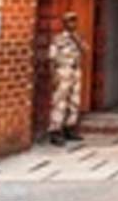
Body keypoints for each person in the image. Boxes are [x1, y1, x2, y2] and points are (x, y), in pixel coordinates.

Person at [48, 11, 87, 146]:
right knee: (60, 101)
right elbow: (51, 59)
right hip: (63, 70)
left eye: (74, 20)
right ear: (64, 23)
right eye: (70, 21)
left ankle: (69, 127)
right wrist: (53, 75)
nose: (73, 23)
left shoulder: (78, 37)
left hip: (75, 70)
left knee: (74, 101)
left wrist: (76, 39)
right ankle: (55, 130)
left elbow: (85, 50)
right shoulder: (58, 39)